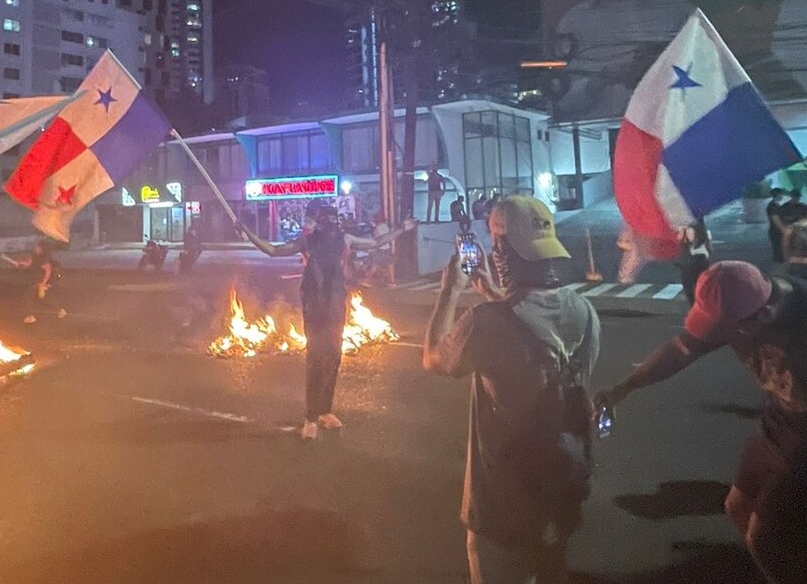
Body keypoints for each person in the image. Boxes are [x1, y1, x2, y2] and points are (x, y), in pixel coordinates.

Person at [593, 261, 807, 584]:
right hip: (776, 421)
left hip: (802, 442)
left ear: (760, 318)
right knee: (738, 507)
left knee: (765, 539)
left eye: (722, 331)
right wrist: (623, 388)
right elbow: (682, 349)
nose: (712, 339)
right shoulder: (740, 306)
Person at [423, 196, 601, 584]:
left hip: (504, 503)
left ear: (502, 251)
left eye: (495, 241)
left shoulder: (485, 323)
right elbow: (533, 336)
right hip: (560, 494)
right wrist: (492, 292)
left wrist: (451, 291)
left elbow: (435, 359)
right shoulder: (583, 312)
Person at [237, 205, 417, 439]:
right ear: (319, 221)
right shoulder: (307, 242)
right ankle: (310, 418)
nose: (331, 223)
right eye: (327, 219)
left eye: (334, 218)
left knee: (333, 358)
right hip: (314, 306)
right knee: (316, 360)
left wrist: (402, 229)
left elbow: (375, 243)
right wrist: (248, 233)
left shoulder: (346, 239)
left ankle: (325, 411)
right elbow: (273, 250)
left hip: (336, 304)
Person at [9, 240, 65, 324]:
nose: (35, 247)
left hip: (41, 281)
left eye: (37, 247)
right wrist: (19, 263)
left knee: (28, 297)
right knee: (43, 297)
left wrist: (43, 283)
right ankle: (60, 310)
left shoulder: (43, 258)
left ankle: (30, 316)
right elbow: (29, 264)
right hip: (37, 280)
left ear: (42, 248)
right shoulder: (35, 256)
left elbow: (48, 271)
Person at [677, 220, 712, 305]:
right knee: (700, 286)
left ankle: (696, 306)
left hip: (694, 259)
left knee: (690, 287)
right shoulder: (704, 232)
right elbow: (710, 248)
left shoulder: (689, 229)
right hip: (702, 259)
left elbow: (683, 240)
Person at [768, 188, 787, 263]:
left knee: (780, 252)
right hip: (776, 232)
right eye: (781, 194)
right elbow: (775, 220)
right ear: (778, 195)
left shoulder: (776, 204)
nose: (782, 196)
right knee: (779, 253)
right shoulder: (772, 206)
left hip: (777, 231)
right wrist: (784, 230)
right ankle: (779, 271)